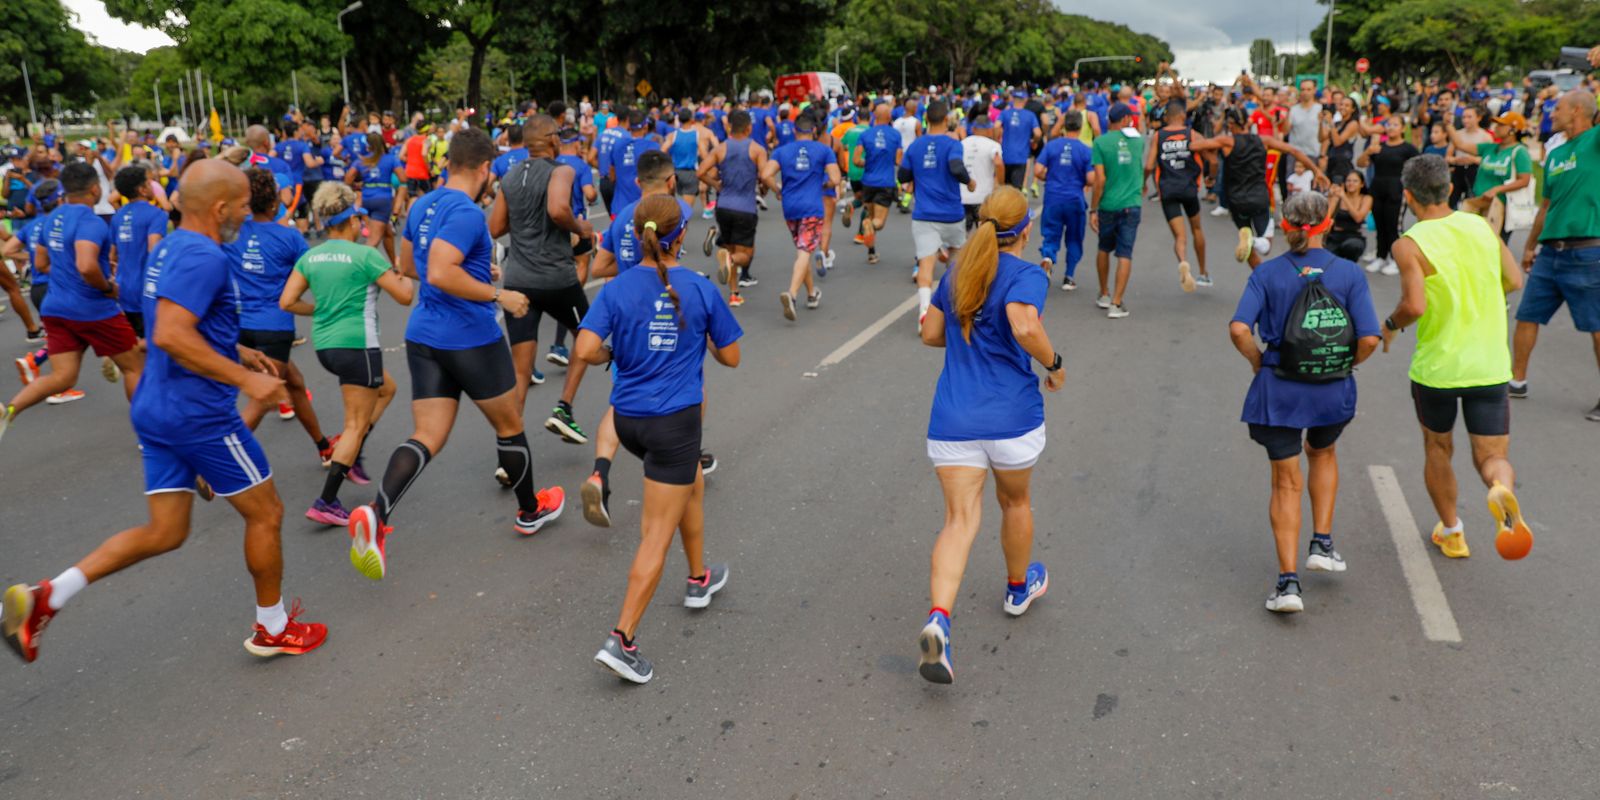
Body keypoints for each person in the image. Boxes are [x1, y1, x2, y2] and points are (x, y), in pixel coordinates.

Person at [2, 160, 328, 663]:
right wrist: (248, 381)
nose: (247, 212)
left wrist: (237, 350)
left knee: (166, 532)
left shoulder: (174, 247)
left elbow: (176, 319)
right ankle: (273, 628)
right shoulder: (206, 256)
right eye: (242, 204)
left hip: (156, 407)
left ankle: (49, 596)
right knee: (267, 512)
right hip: (199, 414)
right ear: (220, 208)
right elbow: (172, 334)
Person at [345, 129, 566, 581]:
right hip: (469, 336)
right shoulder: (467, 212)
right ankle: (529, 509)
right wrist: (497, 294)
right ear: (485, 169)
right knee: (510, 425)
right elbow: (442, 271)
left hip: (424, 335)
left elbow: (411, 266)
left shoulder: (424, 204)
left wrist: (476, 268)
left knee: (427, 434)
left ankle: (378, 513)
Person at [577, 196, 742, 684]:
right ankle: (621, 639)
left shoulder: (618, 286)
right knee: (655, 533)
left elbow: (586, 348)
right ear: (680, 237)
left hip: (628, 420)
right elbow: (731, 358)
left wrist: (619, 351)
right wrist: (701, 336)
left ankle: (698, 578)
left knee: (690, 481)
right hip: (673, 423)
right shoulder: (699, 287)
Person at [914, 186, 1061, 684]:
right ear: (1024, 230)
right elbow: (1023, 325)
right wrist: (1054, 363)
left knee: (958, 521)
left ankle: (939, 619)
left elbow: (931, 335)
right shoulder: (1025, 273)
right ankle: (1018, 589)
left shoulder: (958, 270)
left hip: (954, 417)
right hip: (1012, 417)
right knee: (1015, 504)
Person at [1228, 190, 1381, 613]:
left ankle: (1288, 583)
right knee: (1324, 451)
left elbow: (1240, 328)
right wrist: (1344, 363)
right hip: (1331, 390)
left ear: (1285, 225)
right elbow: (1369, 337)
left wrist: (1259, 363)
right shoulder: (1349, 274)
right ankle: (1323, 543)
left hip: (1279, 388)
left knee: (1285, 481)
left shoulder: (1267, 274)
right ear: (1327, 225)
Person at [1382, 155, 1533, 560]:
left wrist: (1390, 326)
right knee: (1493, 457)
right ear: (1449, 189)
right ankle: (1500, 489)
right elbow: (1514, 280)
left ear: (1408, 196)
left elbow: (1413, 306)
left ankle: (1452, 532)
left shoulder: (1408, 244)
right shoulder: (1480, 226)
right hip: (1488, 365)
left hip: (1438, 370)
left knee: (1438, 448)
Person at [279, 183, 413, 525]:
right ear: (351, 219)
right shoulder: (366, 255)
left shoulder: (311, 256)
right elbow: (404, 297)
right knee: (354, 424)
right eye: (359, 218)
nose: (362, 224)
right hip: (357, 345)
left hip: (326, 346)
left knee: (387, 388)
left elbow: (287, 302)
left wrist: (321, 309)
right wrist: (405, 276)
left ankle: (349, 450)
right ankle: (327, 499)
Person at [0, 163, 144, 440]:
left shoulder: (50, 219)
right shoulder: (91, 222)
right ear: (95, 188)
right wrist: (107, 288)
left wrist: (70, 274)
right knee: (134, 368)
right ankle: (150, 436)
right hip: (93, 309)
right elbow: (87, 266)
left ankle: (10, 409)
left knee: (63, 377)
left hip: (56, 308)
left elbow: (41, 263)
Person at [488, 114, 597, 448]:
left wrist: (523, 222)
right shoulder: (560, 170)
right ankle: (564, 408)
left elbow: (494, 228)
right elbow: (557, 209)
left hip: (519, 280)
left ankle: (511, 450)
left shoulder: (509, 175)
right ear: (551, 140)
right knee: (589, 335)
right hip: (557, 278)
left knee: (521, 371)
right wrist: (580, 229)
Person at [226, 168, 333, 461]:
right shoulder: (290, 237)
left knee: (294, 384)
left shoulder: (231, 232)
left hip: (238, 327)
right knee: (264, 397)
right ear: (274, 204)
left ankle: (324, 447)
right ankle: (222, 460)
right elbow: (314, 278)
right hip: (273, 328)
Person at [1510, 89, 1600, 422]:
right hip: (1550, 251)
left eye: (1558, 107)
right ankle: (1516, 380)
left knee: (1597, 325)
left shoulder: (1595, 141)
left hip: (1588, 250)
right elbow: (1545, 207)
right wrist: (1531, 245)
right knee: (1527, 315)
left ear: (1578, 110)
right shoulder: (1558, 154)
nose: (1552, 112)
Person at [1193, 107, 1327, 270]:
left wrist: (1191, 137)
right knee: (1266, 244)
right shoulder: (1264, 141)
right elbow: (1293, 150)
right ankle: (1256, 242)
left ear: (1230, 124)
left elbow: (1196, 146)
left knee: (1246, 241)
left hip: (1235, 199)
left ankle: (1257, 271)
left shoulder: (1226, 141)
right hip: (1259, 197)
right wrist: (1317, 170)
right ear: (1248, 123)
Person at [762, 114, 840, 321]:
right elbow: (836, 178)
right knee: (805, 251)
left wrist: (777, 189)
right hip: (812, 206)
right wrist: (826, 185)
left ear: (795, 131)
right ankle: (793, 294)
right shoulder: (824, 150)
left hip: (790, 207)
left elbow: (765, 175)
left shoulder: (781, 151)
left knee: (801, 251)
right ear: (813, 131)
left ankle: (812, 294)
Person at [902, 101, 974, 324]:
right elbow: (955, 167)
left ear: (926, 120)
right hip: (951, 213)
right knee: (956, 262)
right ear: (946, 120)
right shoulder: (953, 143)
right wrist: (969, 182)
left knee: (926, 264)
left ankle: (924, 310)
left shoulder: (915, 146)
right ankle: (953, 306)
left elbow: (902, 175)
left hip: (924, 213)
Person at [700, 109, 766, 308]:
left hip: (724, 206)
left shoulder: (721, 148)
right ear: (749, 128)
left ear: (729, 127)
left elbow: (701, 171)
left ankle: (734, 293)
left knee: (728, 249)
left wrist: (716, 185)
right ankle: (729, 260)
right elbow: (764, 176)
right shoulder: (757, 149)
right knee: (743, 256)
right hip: (745, 208)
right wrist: (763, 189)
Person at [1144, 100, 1210, 293]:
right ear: (1183, 115)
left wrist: (1142, 184)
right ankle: (1203, 272)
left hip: (1168, 189)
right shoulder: (1192, 134)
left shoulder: (1158, 136)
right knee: (1196, 229)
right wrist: (1210, 177)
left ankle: (1183, 261)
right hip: (1189, 188)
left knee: (1180, 236)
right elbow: (1211, 159)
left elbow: (1148, 165)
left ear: (1166, 117)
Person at [1088, 103, 1145, 318]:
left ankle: (1103, 293)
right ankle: (1116, 302)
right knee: (1125, 253)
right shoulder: (1138, 141)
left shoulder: (1100, 142)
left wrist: (1094, 208)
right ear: (1123, 120)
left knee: (1103, 248)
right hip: (1131, 204)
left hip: (1108, 204)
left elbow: (1099, 179)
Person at [1033, 110, 1091, 291]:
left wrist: (1048, 177)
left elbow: (1037, 170)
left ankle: (1048, 258)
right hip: (1074, 198)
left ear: (1064, 125)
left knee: (1050, 233)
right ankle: (1069, 276)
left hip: (1053, 198)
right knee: (1074, 238)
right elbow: (1091, 179)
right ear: (1081, 127)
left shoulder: (1051, 146)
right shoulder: (1085, 150)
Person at [1356, 117, 1421, 276]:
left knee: (1393, 227)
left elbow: (1419, 168)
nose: (1391, 128)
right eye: (1389, 125)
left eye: (1395, 124)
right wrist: (1368, 151)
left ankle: (1396, 259)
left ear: (1402, 128)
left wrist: (1411, 189)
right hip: (1378, 189)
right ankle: (1381, 255)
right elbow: (1361, 163)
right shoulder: (1379, 147)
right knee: (1380, 224)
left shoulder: (1408, 149)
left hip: (1397, 191)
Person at [109, 165, 168, 338]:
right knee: (155, 341)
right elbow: (154, 249)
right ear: (143, 189)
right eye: (149, 183)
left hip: (124, 288)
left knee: (136, 339)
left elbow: (112, 255)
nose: (153, 186)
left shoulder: (118, 216)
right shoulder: (157, 214)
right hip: (147, 289)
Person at [1455, 111, 1532, 243]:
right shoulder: (1489, 148)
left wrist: (1497, 189)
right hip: (1479, 203)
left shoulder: (1520, 152)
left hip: (1501, 208)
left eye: (1501, 125)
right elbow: (1460, 145)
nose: (1495, 128)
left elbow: (1524, 180)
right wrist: (1448, 126)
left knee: (1494, 246)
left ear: (1512, 130)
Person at [854, 104, 902, 265]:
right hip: (885, 182)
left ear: (874, 116)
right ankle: (869, 225)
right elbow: (898, 160)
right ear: (889, 117)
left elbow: (856, 160)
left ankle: (871, 253)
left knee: (870, 216)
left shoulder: (866, 134)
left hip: (867, 182)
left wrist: (867, 163)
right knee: (878, 223)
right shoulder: (895, 135)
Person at [346, 133, 404, 265]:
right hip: (383, 200)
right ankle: (355, 265)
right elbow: (403, 178)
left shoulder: (361, 160)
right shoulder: (391, 159)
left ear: (368, 146)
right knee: (374, 239)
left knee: (387, 232)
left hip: (366, 199)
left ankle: (394, 263)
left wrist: (357, 186)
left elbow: (348, 178)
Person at [610, 110, 662, 214]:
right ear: (646, 127)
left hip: (620, 208)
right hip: (644, 207)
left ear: (629, 125)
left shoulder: (617, 144)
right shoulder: (652, 147)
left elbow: (612, 176)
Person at [665, 108, 714, 217]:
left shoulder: (673, 135)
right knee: (685, 212)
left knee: (671, 208)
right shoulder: (696, 135)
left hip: (674, 173)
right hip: (690, 173)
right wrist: (709, 168)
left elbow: (662, 150)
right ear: (691, 119)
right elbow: (704, 155)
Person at [960, 115, 1004, 233]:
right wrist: (1000, 183)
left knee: (961, 237)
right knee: (984, 235)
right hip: (983, 198)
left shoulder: (962, 144)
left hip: (962, 197)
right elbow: (998, 163)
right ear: (990, 130)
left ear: (973, 129)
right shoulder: (993, 145)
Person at [998, 89, 1042, 190]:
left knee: (1005, 187)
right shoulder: (1030, 115)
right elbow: (1038, 133)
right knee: (1017, 188)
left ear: (1013, 99)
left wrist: (996, 139)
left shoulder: (1005, 113)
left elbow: (996, 126)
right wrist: (1034, 142)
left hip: (1005, 154)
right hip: (1021, 156)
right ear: (1025, 100)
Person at [1325, 171, 1372, 262]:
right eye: (1348, 181)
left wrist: (1344, 197)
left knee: (1352, 246)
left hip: (1354, 236)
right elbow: (1327, 217)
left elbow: (1358, 218)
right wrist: (1333, 198)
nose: (1351, 183)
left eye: (1355, 181)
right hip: (1335, 235)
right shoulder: (1338, 196)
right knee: (1328, 259)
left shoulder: (1366, 198)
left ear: (1362, 184)